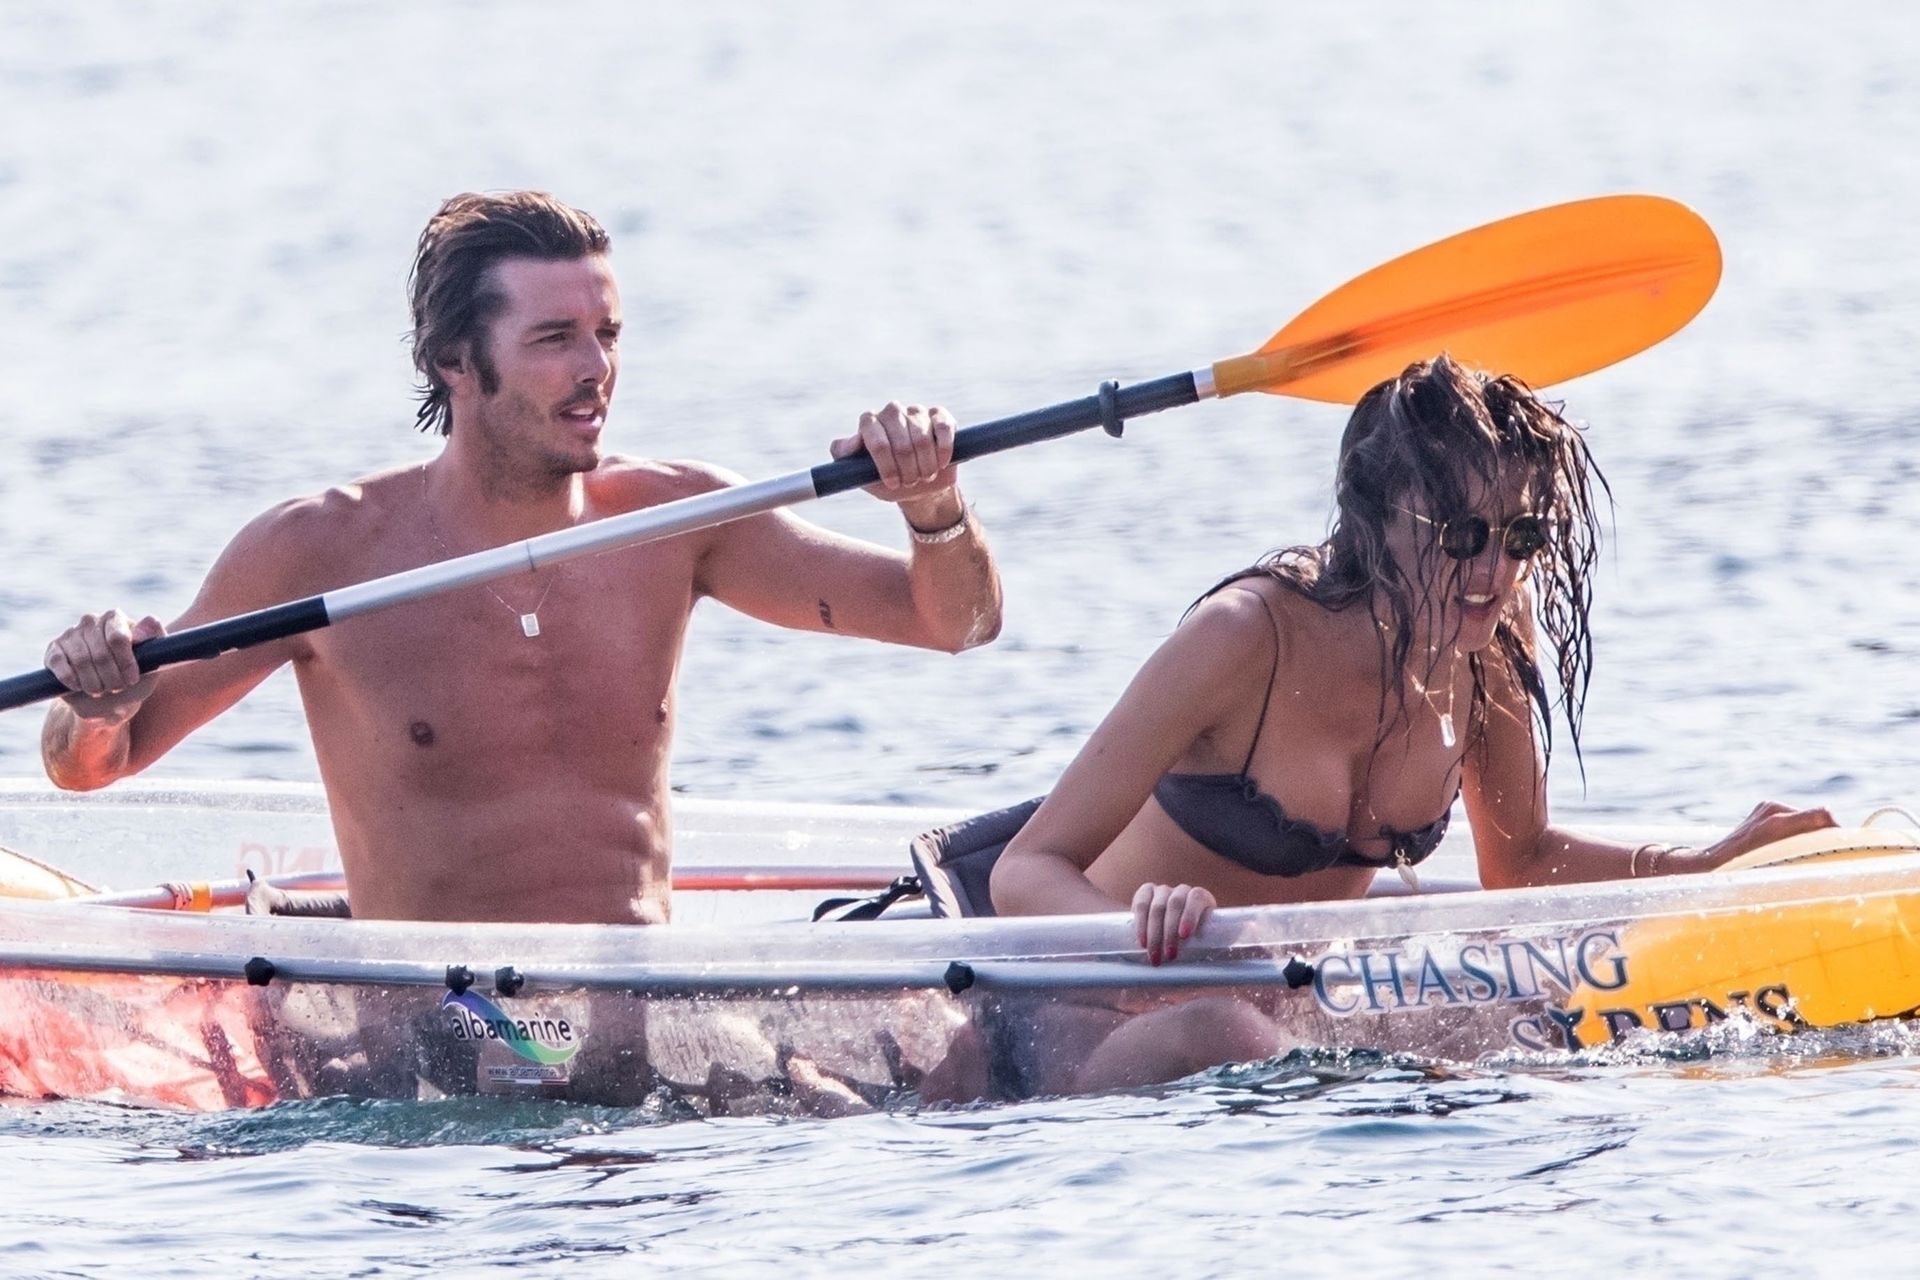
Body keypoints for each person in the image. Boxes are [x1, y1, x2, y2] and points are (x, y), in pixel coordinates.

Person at [40, 190, 1004, 928]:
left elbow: (955, 623)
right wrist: (96, 704)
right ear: (454, 361)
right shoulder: (318, 552)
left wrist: (933, 507)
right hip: (428, 1045)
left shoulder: (680, 519)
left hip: (639, 1026)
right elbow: (91, 765)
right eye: (555, 339)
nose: (596, 369)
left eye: (607, 334)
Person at [961, 354, 1831, 1095]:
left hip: (1289, 1025)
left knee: (1521, 1018)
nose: (1494, 572)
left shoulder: (1492, 639)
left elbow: (1521, 863)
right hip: (1086, 1018)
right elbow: (1023, 871)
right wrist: (1138, 931)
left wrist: (1701, 867)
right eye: (1462, 537)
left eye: (1521, 537)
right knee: (1226, 1030)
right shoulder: (1243, 638)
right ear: (1377, 522)